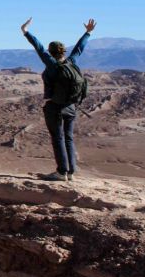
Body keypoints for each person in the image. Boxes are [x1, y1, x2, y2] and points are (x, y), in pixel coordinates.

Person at [20, 17, 96, 182]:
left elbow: (39, 48)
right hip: (71, 106)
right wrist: (87, 33)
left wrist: (26, 32)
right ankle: (71, 172)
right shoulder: (71, 61)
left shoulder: (52, 64)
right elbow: (78, 49)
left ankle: (62, 172)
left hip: (56, 107)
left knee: (58, 138)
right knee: (68, 137)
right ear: (63, 52)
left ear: (52, 52)